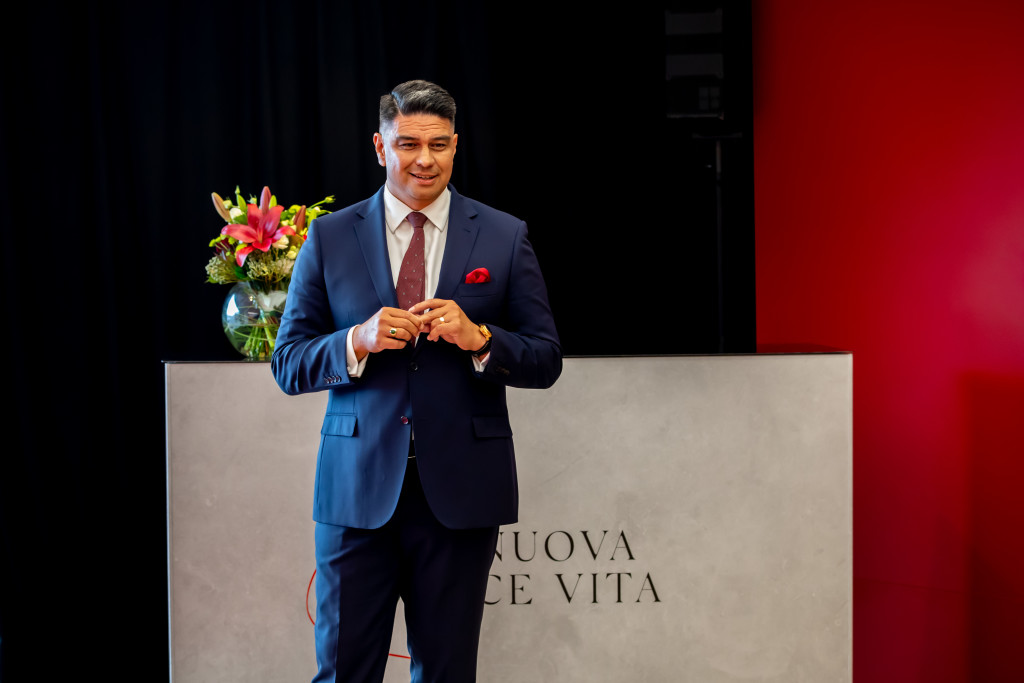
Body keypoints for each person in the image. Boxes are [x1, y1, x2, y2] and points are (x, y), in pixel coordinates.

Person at [271, 79, 562, 683]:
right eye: (408, 144)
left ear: (456, 145)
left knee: (447, 673)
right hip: (355, 493)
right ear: (381, 147)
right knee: (343, 672)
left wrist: (480, 338)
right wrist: (357, 340)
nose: (424, 159)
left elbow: (545, 358)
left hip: (461, 493)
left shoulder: (504, 235)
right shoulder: (329, 236)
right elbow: (289, 362)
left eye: (439, 144)